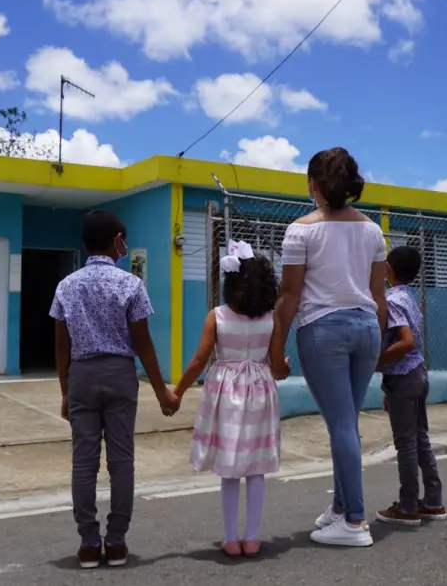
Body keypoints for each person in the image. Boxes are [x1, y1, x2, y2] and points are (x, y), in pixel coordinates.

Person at [270, 147, 388, 548]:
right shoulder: (373, 230)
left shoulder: (301, 230)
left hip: (324, 331)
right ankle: (340, 508)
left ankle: (354, 521)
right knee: (347, 422)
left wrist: (274, 350)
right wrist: (380, 346)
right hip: (367, 328)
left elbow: (288, 296)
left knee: (340, 424)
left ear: (314, 185)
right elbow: (379, 296)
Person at [50, 209, 178, 569]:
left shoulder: (66, 285)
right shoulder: (131, 284)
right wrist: (161, 391)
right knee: (122, 461)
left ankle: (89, 543)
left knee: (84, 461)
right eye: (124, 238)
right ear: (118, 240)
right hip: (121, 375)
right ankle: (118, 542)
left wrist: (65, 391)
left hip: (82, 376)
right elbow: (143, 343)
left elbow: (61, 345)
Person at [172, 240, 285, 559]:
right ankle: (252, 537)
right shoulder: (270, 318)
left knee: (230, 468)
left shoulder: (217, 316)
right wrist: (285, 366)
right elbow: (277, 366)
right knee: (256, 467)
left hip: (226, 391)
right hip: (260, 390)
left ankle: (231, 539)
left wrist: (177, 392)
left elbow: (198, 361)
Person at [372, 245, 447, 526]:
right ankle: (433, 501)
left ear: (388, 268)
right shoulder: (408, 298)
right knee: (419, 438)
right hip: (416, 375)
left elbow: (406, 342)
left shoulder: (391, 301)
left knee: (405, 444)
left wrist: (377, 360)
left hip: (404, 378)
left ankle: (407, 507)